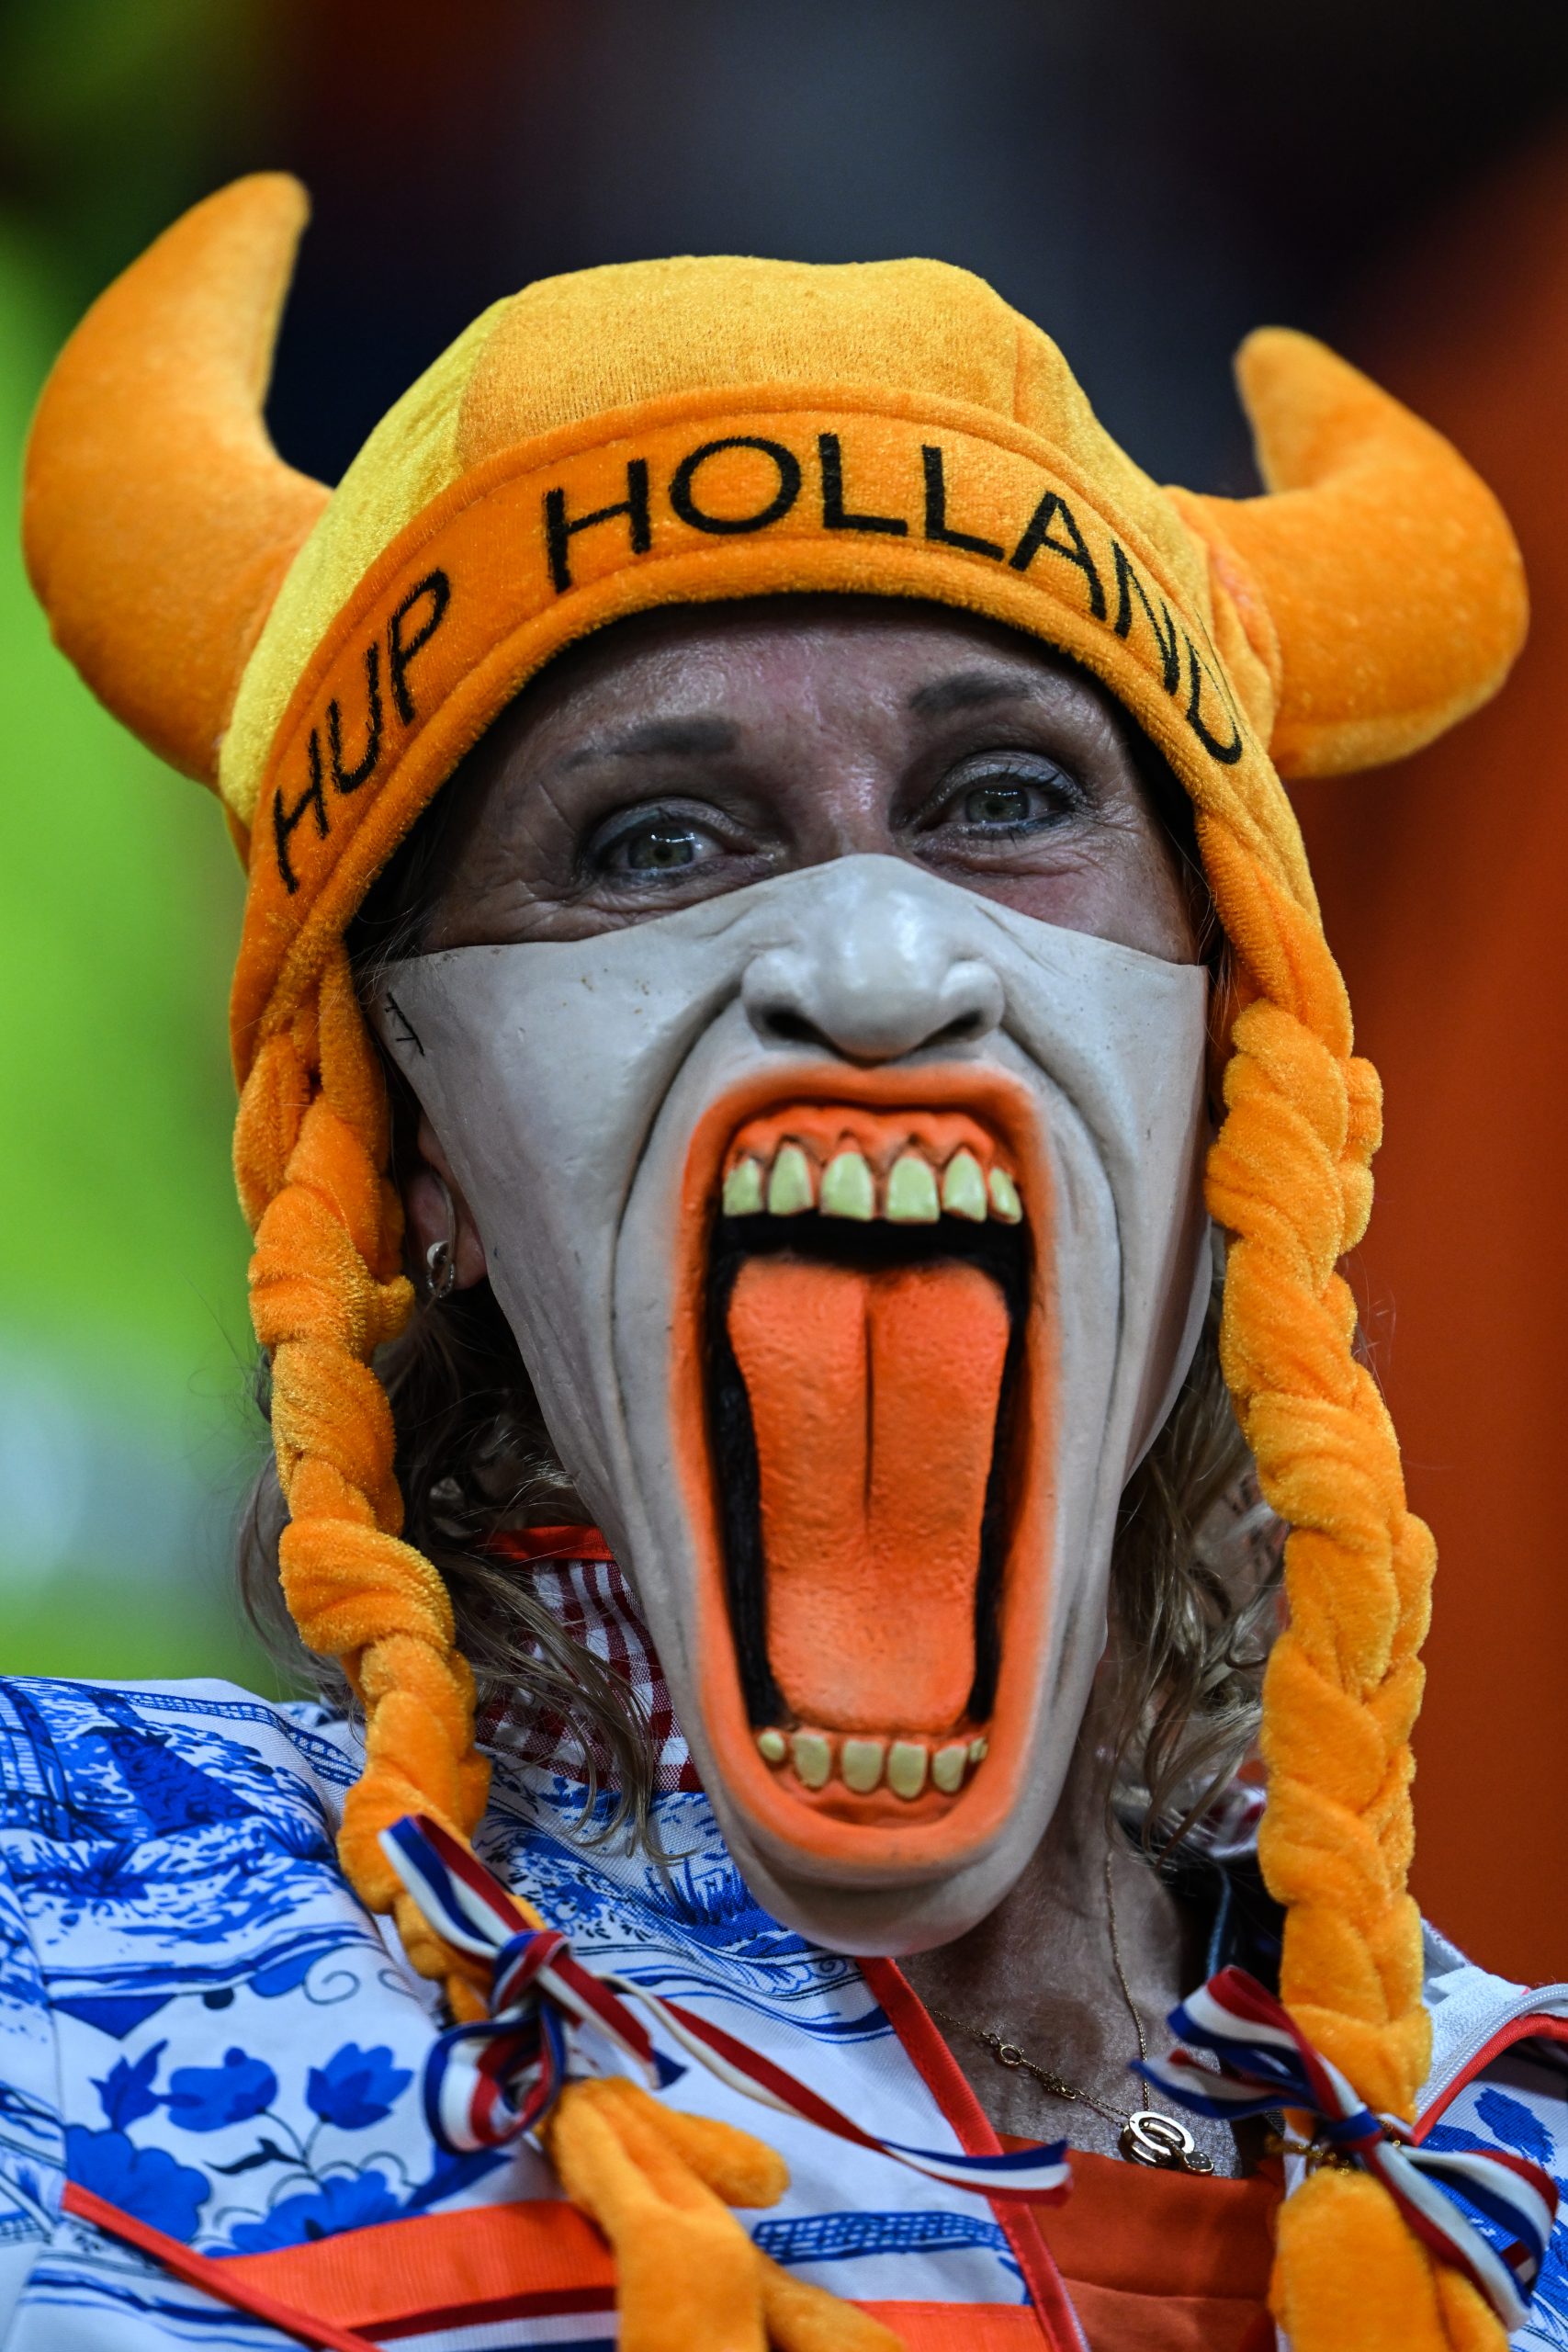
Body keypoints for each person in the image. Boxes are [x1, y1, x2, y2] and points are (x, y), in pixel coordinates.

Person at [3, 175, 1563, 2352]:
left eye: (1005, 792)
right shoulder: (49, 1954)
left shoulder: (1521, 2173)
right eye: (651, 837)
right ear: (422, 1141)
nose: (870, 957)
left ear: (1229, 1052)